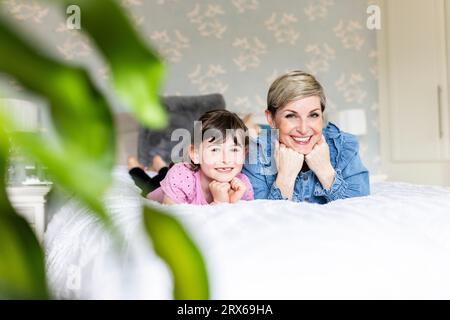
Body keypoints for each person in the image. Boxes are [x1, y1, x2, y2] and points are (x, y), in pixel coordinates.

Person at [243, 70, 370, 204]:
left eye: (313, 115)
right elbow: (262, 220)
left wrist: (325, 172)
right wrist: (286, 177)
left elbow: (360, 209)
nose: (303, 129)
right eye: (291, 116)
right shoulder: (256, 152)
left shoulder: (343, 146)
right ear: (271, 119)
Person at [128, 109, 254, 205]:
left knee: (165, 171)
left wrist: (229, 202)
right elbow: (174, 219)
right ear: (195, 154)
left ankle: (160, 165)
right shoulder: (181, 176)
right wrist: (220, 204)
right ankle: (135, 166)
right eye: (215, 149)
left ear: (244, 154)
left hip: (175, 173)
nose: (226, 160)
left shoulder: (242, 184)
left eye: (234, 150)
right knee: (145, 184)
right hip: (161, 186)